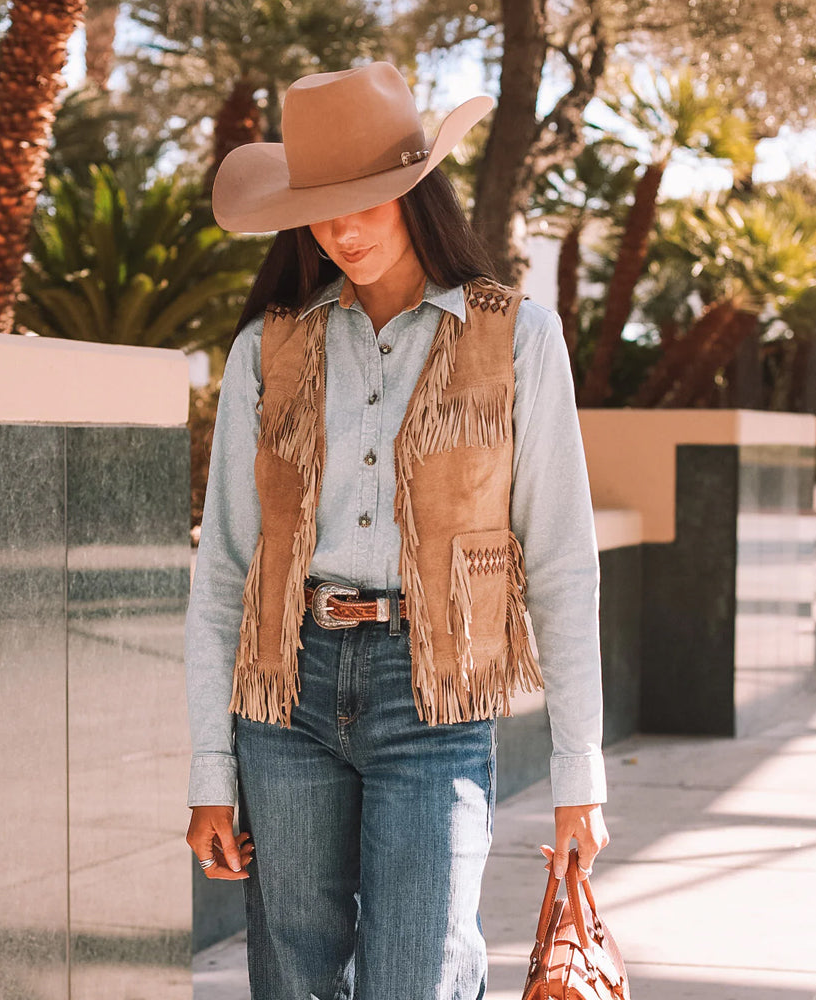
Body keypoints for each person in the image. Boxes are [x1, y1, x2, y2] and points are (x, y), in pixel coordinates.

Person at [184, 61, 609, 1000]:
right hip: (284, 695)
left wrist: (582, 772)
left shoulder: (520, 339)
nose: (341, 229)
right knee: (292, 976)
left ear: (418, 191)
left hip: (436, 701)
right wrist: (209, 773)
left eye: (366, 201)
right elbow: (224, 566)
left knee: (418, 973)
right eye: (320, 208)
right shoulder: (268, 348)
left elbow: (563, 563)